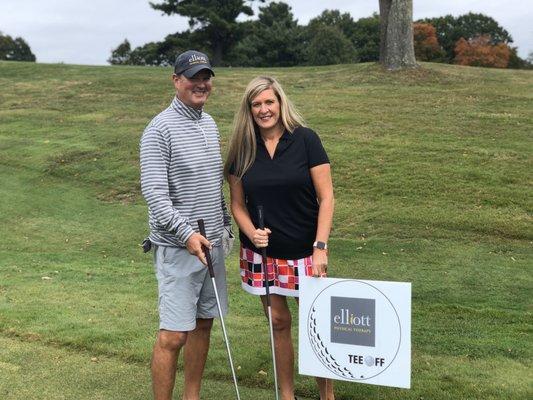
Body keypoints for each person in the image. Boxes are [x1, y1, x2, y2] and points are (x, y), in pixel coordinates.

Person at [224, 76, 335, 400]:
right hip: (264, 254)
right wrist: (250, 231)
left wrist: (320, 247)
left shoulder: (306, 140)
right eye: (256, 104)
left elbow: (326, 197)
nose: (263, 109)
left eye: (269, 102)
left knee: (315, 326)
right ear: (249, 109)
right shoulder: (242, 149)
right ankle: (286, 396)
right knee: (278, 322)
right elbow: (237, 204)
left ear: (280, 103)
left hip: (305, 251)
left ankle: (326, 396)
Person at [140, 50, 233, 400]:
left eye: (206, 77)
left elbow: (213, 184)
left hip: (212, 244)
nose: (201, 83)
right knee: (174, 334)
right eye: (193, 77)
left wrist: (223, 226)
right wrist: (187, 234)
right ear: (176, 80)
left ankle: (191, 396)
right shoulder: (159, 129)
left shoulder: (208, 124)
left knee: (205, 322)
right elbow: (154, 193)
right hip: (179, 248)